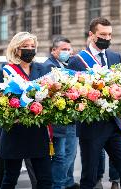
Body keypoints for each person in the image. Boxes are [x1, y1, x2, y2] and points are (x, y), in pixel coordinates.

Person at [68, 17, 121, 189]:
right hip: (91, 127)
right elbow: (72, 94)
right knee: (89, 176)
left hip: (113, 124)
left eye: (109, 34)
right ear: (92, 35)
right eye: (102, 34)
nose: (107, 38)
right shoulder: (78, 60)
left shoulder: (114, 57)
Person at [0, 32, 55, 189]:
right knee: (10, 179)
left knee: (45, 179)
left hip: (37, 133)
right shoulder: (7, 70)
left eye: (32, 46)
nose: (30, 49)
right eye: (25, 47)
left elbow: (50, 96)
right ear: (17, 49)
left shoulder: (42, 68)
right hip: (14, 132)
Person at [43, 36, 79, 189]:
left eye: (69, 49)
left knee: (69, 155)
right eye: (63, 49)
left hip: (69, 119)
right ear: (54, 51)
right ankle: (58, 185)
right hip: (58, 121)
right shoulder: (49, 66)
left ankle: (67, 182)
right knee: (61, 157)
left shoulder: (65, 65)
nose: (67, 52)